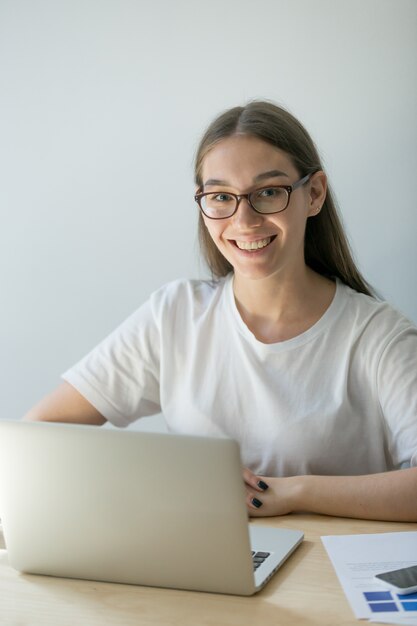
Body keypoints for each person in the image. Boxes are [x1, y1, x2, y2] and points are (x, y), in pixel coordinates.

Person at [24, 101, 417, 522]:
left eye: (268, 192)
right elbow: (38, 433)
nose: (243, 220)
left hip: (326, 580)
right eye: (221, 196)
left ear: (314, 194)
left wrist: (295, 492)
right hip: (204, 568)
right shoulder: (173, 315)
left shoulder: (379, 336)